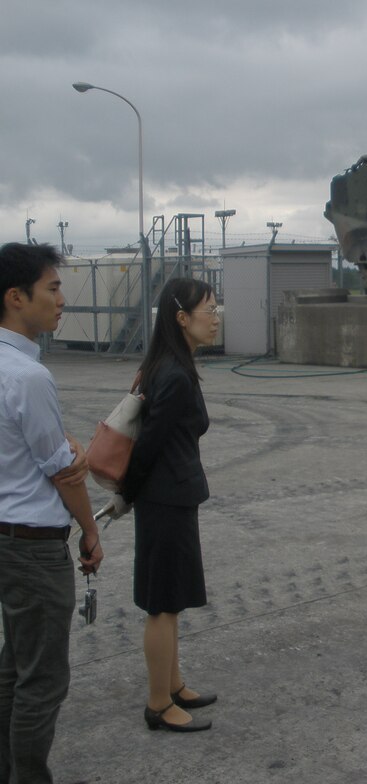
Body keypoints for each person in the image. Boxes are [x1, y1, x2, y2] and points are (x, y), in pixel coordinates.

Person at [1, 242, 104, 783]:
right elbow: (63, 471)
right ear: (16, 298)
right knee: (42, 681)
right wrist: (90, 531)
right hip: (33, 544)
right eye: (53, 288)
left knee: (14, 669)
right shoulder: (28, 377)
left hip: (5, 536)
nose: (61, 300)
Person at [120, 278, 221, 733]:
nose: (216, 318)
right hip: (165, 499)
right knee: (162, 604)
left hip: (171, 497)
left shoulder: (171, 365)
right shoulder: (175, 375)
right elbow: (149, 446)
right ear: (182, 318)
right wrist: (126, 494)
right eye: (209, 310)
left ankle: (174, 683)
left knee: (171, 600)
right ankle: (158, 704)